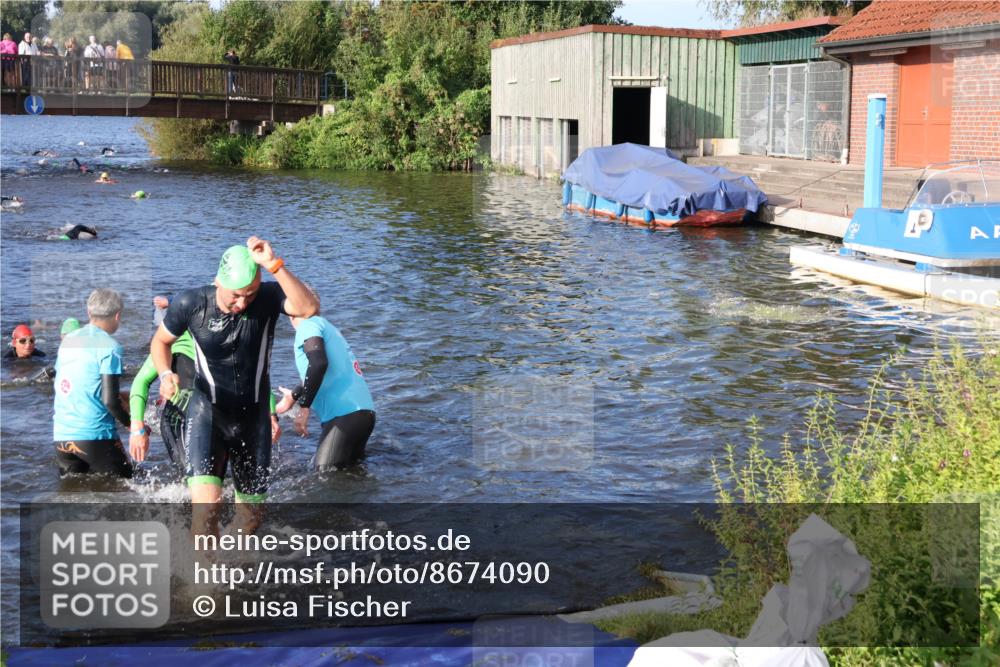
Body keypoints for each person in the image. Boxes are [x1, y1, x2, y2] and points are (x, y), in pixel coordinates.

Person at [152, 237, 319, 535]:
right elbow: (161, 342)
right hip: (208, 416)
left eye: (250, 294)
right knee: (206, 514)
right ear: (218, 282)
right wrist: (166, 374)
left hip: (253, 420)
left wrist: (273, 265)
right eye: (236, 295)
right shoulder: (191, 303)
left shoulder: (267, 298)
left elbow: (308, 309)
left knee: (251, 520)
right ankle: (203, 581)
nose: (242, 303)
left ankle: (231, 567)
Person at [276, 316, 375, 470]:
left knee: (325, 476)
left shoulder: (308, 325)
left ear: (292, 314)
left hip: (345, 415)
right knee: (353, 474)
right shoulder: (327, 328)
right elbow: (317, 375)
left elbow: (318, 364)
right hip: (364, 413)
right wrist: (293, 396)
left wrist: (304, 407)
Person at [52, 289, 133, 478]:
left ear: (89, 313)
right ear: (118, 315)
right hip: (94, 435)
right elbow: (110, 401)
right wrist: (133, 425)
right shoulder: (110, 347)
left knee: (74, 493)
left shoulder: (68, 341)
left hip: (62, 436)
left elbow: (65, 383)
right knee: (131, 486)